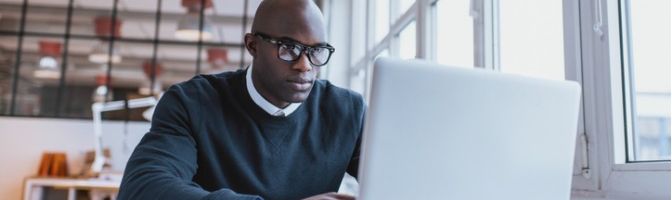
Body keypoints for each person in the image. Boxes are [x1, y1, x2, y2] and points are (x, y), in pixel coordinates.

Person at [116, 0, 364, 199]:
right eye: (289, 48)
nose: (305, 65)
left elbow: (394, 179)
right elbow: (142, 187)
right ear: (253, 45)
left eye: (317, 51)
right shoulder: (192, 102)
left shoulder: (348, 111)